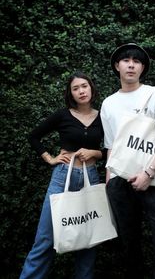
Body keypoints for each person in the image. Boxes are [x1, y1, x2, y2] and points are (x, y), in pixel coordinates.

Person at [100, 43, 155, 279]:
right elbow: (111, 146)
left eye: (137, 61)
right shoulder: (108, 103)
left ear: (143, 67)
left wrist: (149, 173)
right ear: (117, 66)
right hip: (119, 182)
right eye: (126, 60)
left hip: (153, 180)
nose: (131, 64)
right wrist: (109, 183)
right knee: (128, 240)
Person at [19, 71, 105, 279]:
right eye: (75, 88)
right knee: (46, 238)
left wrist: (94, 152)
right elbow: (34, 136)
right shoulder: (63, 115)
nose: (81, 91)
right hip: (62, 177)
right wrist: (49, 158)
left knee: (89, 238)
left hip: (90, 179)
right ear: (71, 94)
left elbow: (114, 150)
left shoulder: (104, 116)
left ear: (91, 88)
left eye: (84, 86)